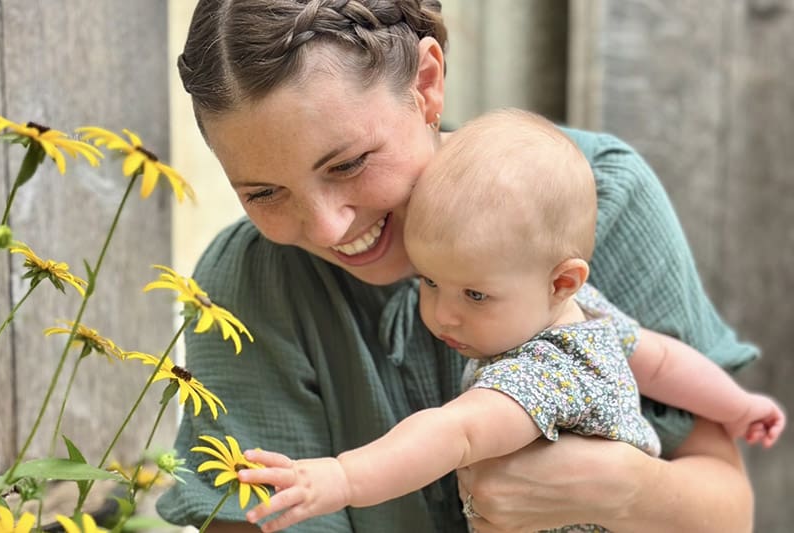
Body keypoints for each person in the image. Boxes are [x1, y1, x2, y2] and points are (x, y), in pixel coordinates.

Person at [158, 1, 761, 531]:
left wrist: (619, 488)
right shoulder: (247, 282)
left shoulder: (601, 196)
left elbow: (727, 512)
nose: (327, 228)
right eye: (264, 193)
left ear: (426, 82)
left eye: (347, 165)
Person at [233, 108, 785, 532]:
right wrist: (737, 407)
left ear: (561, 280)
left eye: (475, 294)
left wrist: (344, 477)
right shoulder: (585, 315)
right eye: (429, 281)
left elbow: (454, 432)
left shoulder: (544, 371)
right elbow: (662, 361)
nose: (443, 313)